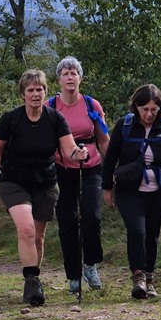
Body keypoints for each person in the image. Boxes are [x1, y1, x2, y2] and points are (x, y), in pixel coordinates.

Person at [0, 69, 87, 307]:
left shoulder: (55, 119)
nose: (35, 94)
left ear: (45, 91)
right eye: (31, 90)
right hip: (14, 181)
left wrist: (79, 154)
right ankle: (32, 280)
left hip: (45, 183)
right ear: (23, 94)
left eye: (40, 89)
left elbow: (69, 150)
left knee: (38, 238)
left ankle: (32, 279)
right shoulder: (11, 119)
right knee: (26, 229)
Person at [101, 84, 161, 299]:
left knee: (152, 235)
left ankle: (149, 279)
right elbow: (110, 158)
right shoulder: (125, 125)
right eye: (145, 109)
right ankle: (138, 277)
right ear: (136, 107)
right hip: (129, 188)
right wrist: (106, 188)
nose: (149, 114)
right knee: (137, 231)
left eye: (153, 109)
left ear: (160, 108)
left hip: (159, 189)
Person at [46, 57, 110, 295]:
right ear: (59, 79)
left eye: (74, 72)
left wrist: (112, 169)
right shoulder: (50, 106)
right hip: (62, 169)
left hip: (91, 166)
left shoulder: (92, 105)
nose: (70, 77)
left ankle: (90, 265)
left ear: (80, 78)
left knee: (92, 217)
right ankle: (73, 275)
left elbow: (103, 138)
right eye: (65, 73)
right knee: (67, 221)